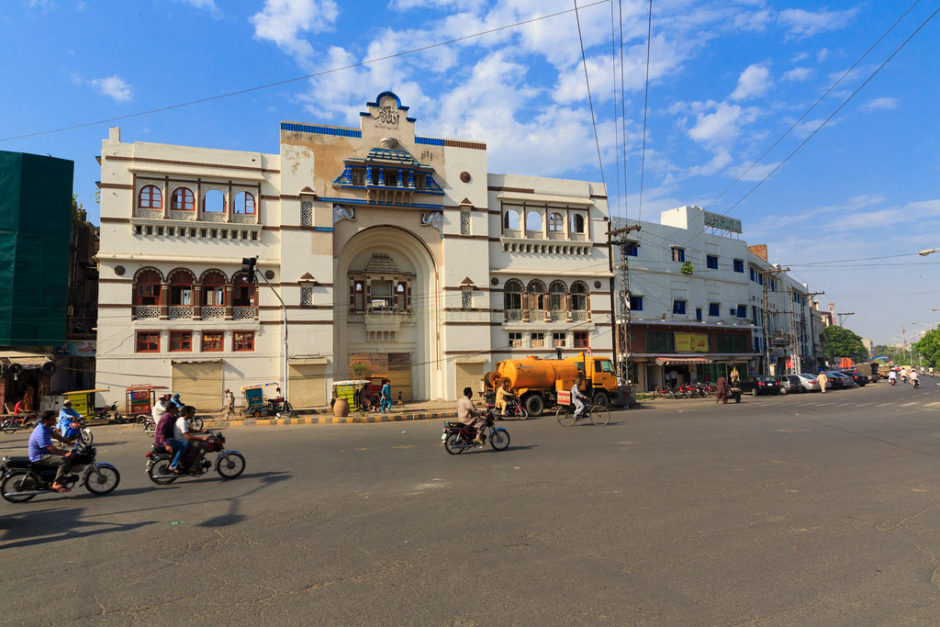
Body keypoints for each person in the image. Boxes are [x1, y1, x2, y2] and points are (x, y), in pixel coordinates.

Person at [28, 411, 74, 492]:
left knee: (71, 454)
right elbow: (49, 447)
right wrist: (64, 454)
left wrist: (69, 442)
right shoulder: (41, 431)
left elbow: (57, 436)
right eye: (52, 419)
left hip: (44, 453)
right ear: (46, 420)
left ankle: (60, 475)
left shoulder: (47, 428)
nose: (55, 420)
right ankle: (56, 483)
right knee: (64, 461)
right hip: (39, 456)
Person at [173, 405, 211, 471]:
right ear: (187, 413)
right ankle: (194, 466)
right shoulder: (182, 422)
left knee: (200, 444)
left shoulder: (182, 420)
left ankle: (192, 460)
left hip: (183, 440)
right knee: (205, 446)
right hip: (183, 441)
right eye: (192, 413)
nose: (193, 415)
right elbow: (188, 436)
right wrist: (202, 438)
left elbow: (189, 430)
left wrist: (201, 431)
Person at [153, 402, 184, 471]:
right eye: (175, 408)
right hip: (163, 441)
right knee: (184, 446)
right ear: (171, 409)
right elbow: (161, 433)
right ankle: (173, 465)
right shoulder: (166, 418)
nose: (177, 409)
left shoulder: (172, 417)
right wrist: (166, 445)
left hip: (169, 439)